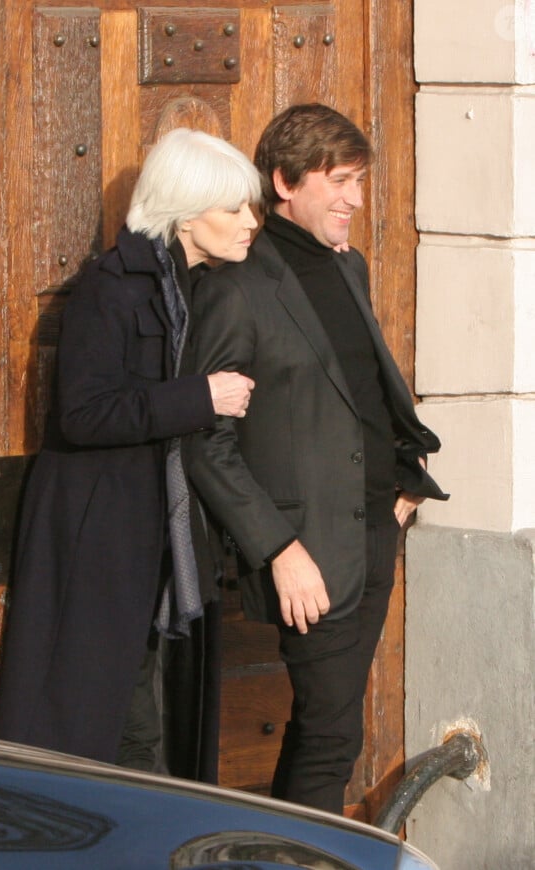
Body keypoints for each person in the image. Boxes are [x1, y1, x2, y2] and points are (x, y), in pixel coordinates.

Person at [188, 104, 449, 812]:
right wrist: (279, 549)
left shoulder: (350, 266)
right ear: (284, 180)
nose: (355, 201)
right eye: (338, 181)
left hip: (373, 530)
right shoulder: (235, 287)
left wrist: (404, 486)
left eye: (359, 183)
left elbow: (365, 390)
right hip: (306, 550)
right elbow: (204, 439)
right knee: (332, 736)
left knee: (328, 731)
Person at [0, 127, 260, 775]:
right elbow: (84, 414)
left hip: (155, 544)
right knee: (95, 724)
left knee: (145, 716)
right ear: (187, 213)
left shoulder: (194, 286)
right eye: (234, 209)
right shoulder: (109, 289)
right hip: (101, 540)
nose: (252, 222)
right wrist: (202, 397)